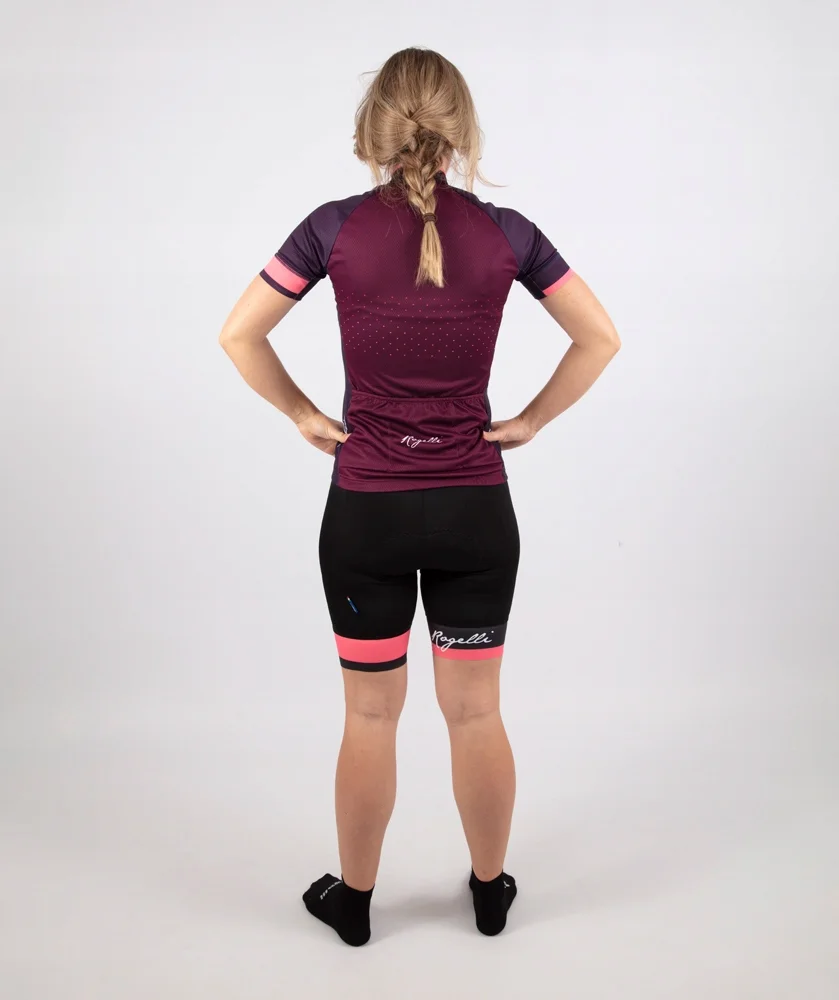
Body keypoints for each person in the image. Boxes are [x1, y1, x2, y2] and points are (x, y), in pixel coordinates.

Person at [219, 46, 621, 946]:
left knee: (369, 715)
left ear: (374, 132)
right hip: (475, 513)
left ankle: (354, 904)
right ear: (458, 132)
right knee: (475, 712)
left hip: (365, 512)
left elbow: (239, 334)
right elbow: (599, 338)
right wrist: (529, 421)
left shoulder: (330, 229)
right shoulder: (509, 234)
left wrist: (302, 413)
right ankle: (489, 892)